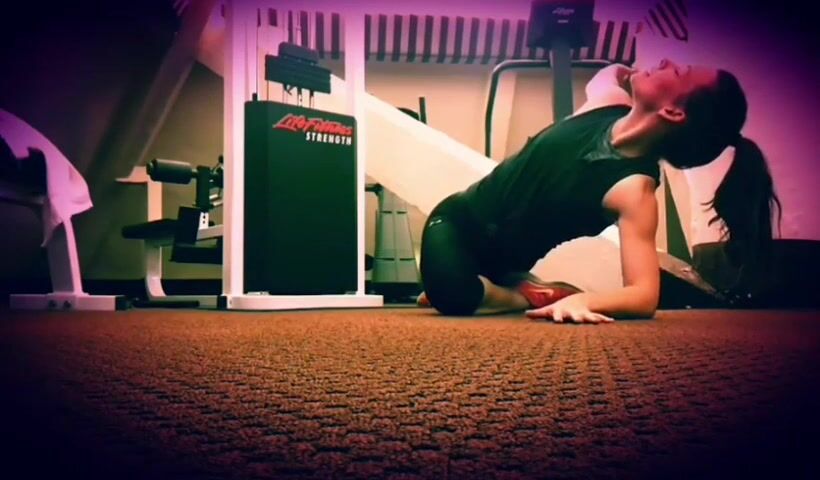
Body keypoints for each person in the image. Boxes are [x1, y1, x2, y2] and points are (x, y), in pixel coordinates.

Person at [418, 58, 781, 323]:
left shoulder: (634, 190)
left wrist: (587, 301)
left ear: (673, 112)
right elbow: (608, 74)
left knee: (451, 294)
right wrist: (628, 74)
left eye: (679, 72)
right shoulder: (607, 102)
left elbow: (644, 295)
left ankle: (512, 294)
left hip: (506, 260)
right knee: (444, 285)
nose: (666, 62)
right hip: (457, 220)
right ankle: (512, 289)